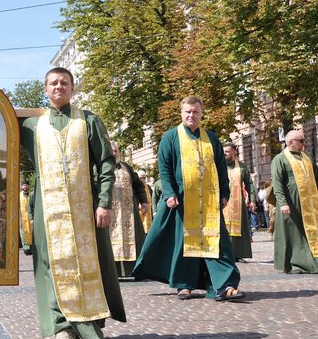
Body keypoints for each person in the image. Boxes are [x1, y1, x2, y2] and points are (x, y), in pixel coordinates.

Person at [20, 67, 126, 339]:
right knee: (52, 268)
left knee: (86, 264)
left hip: (85, 210)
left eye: (64, 82)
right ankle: (62, 329)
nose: (58, 87)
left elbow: (106, 162)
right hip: (48, 210)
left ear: (73, 87)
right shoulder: (31, 125)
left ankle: (84, 326)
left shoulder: (89, 120)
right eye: (53, 83)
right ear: (45, 89)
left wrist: (104, 202)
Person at [132, 96, 245, 302]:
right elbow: (164, 169)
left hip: (209, 201)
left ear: (201, 114)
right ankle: (184, 285)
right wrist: (169, 193)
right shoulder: (170, 137)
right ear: (181, 113)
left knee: (217, 243)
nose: (191, 115)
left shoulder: (211, 138)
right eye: (188, 112)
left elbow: (221, 169)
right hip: (182, 200)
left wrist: (225, 193)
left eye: (195, 112)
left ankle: (225, 285)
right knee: (183, 243)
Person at [270, 129, 318, 274]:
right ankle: (296, 263)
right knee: (295, 234)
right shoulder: (280, 159)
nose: (304, 143)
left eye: (304, 140)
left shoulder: (307, 156)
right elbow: (277, 184)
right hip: (291, 203)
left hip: (310, 203)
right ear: (291, 143)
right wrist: (283, 203)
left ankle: (312, 260)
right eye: (301, 141)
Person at [109, 141, 148, 277]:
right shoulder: (101, 168)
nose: (114, 153)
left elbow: (138, 186)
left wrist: (144, 201)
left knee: (136, 240)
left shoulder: (127, 167)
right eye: (112, 150)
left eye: (116, 150)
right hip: (110, 213)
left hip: (129, 212)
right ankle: (114, 273)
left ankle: (137, 271)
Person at [222, 142, 256, 262]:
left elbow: (249, 184)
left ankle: (238, 254)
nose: (224, 153)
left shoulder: (242, 167)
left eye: (227, 151)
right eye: (223, 151)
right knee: (223, 227)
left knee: (239, 228)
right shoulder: (218, 166)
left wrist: (252, 201)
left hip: (238, 203)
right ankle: (224, 254)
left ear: (234, 152)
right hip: (222, 202)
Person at [18, 180, 33, 255]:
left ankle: (31, 247)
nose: (25, 187)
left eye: (26, 185)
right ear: (21, 187)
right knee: (23, 232)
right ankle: (26, 248)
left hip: (30, 217)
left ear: (28, 186)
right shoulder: (19, 196)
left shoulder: (31, 195)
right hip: (21, 217)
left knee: (31, 231)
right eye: (23, 185)